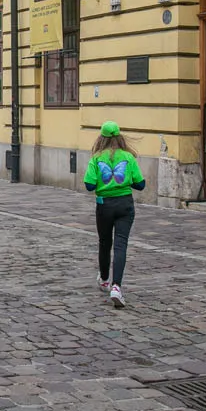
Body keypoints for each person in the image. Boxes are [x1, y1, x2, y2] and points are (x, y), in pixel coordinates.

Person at [82, 121, 146, 309]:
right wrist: (124, 181)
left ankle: (103, 279)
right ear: (120, 138)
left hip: (104, 205)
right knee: (120, 244)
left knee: (104, 242)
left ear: (101, 138)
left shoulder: (96, 158)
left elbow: (89, 185)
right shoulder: (128, 157)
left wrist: (105, 183)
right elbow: (140, 184)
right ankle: (116, 286)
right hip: (125, 204)